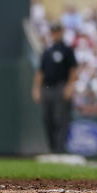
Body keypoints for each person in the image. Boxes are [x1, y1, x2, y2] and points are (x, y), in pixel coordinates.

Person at [32, 22, 78, 154]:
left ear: (61, 32)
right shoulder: (47, 51)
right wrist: (36, 89)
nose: (55, 34)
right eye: (53, 32)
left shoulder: (67, 50)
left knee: (61, 118)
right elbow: (40, 72)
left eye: (57, 31)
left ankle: (60, 149)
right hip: (47, 88)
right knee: (48, 118)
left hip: (61, 87)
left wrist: (70, 86)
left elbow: (73, 70)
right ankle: (52, 148)